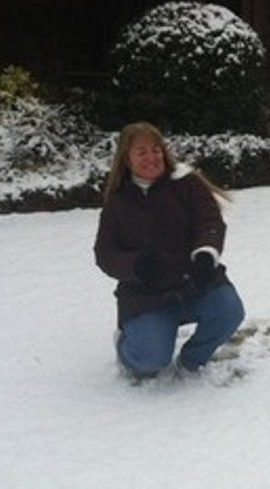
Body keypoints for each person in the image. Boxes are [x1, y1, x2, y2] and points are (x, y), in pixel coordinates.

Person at [94, 122, 245, 378]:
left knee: (229, 311)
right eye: (141, 152)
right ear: (126, 159)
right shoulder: (117, 204)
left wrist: (206, 254)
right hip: (146, 297)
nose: (152, 157)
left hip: (194, 281)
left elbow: (210, 222)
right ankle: (127, 348)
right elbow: (105, 254)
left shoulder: (187, 185)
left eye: (156, 150)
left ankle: (191, 361)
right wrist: (136, 265)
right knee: (149, 361)